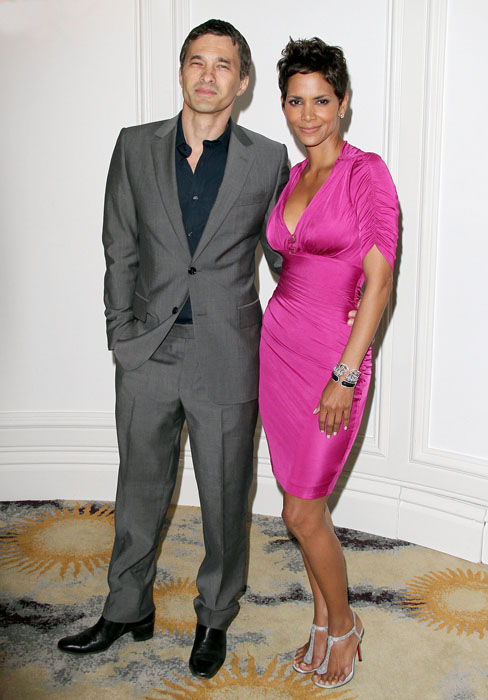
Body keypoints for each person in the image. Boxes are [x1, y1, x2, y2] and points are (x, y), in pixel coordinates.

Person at [57, 19, 289, 679]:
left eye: (223, 65)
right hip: (147, 350)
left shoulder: (268, 159)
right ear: (182, 70)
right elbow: (119, 245)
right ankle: (126, 607)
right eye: (197, 61)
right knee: (138, 489)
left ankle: (214, 616)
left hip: (227, 352)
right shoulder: (134, 146)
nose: (208, 75)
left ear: (242, 83)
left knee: (224, 497)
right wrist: (119, 333)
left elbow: (286, 256)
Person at [259, 38, 399, 690]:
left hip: (332, 360)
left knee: (300, 514)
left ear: (343, 103)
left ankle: (344, 624)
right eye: (296, 101)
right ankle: (320, 618)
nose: (308, 114)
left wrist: (347, 372)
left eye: (321, 100)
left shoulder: (365, 173)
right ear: (284, 105)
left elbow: (379, 280)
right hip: (279, 348)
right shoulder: (291, 178)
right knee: (303, 505)